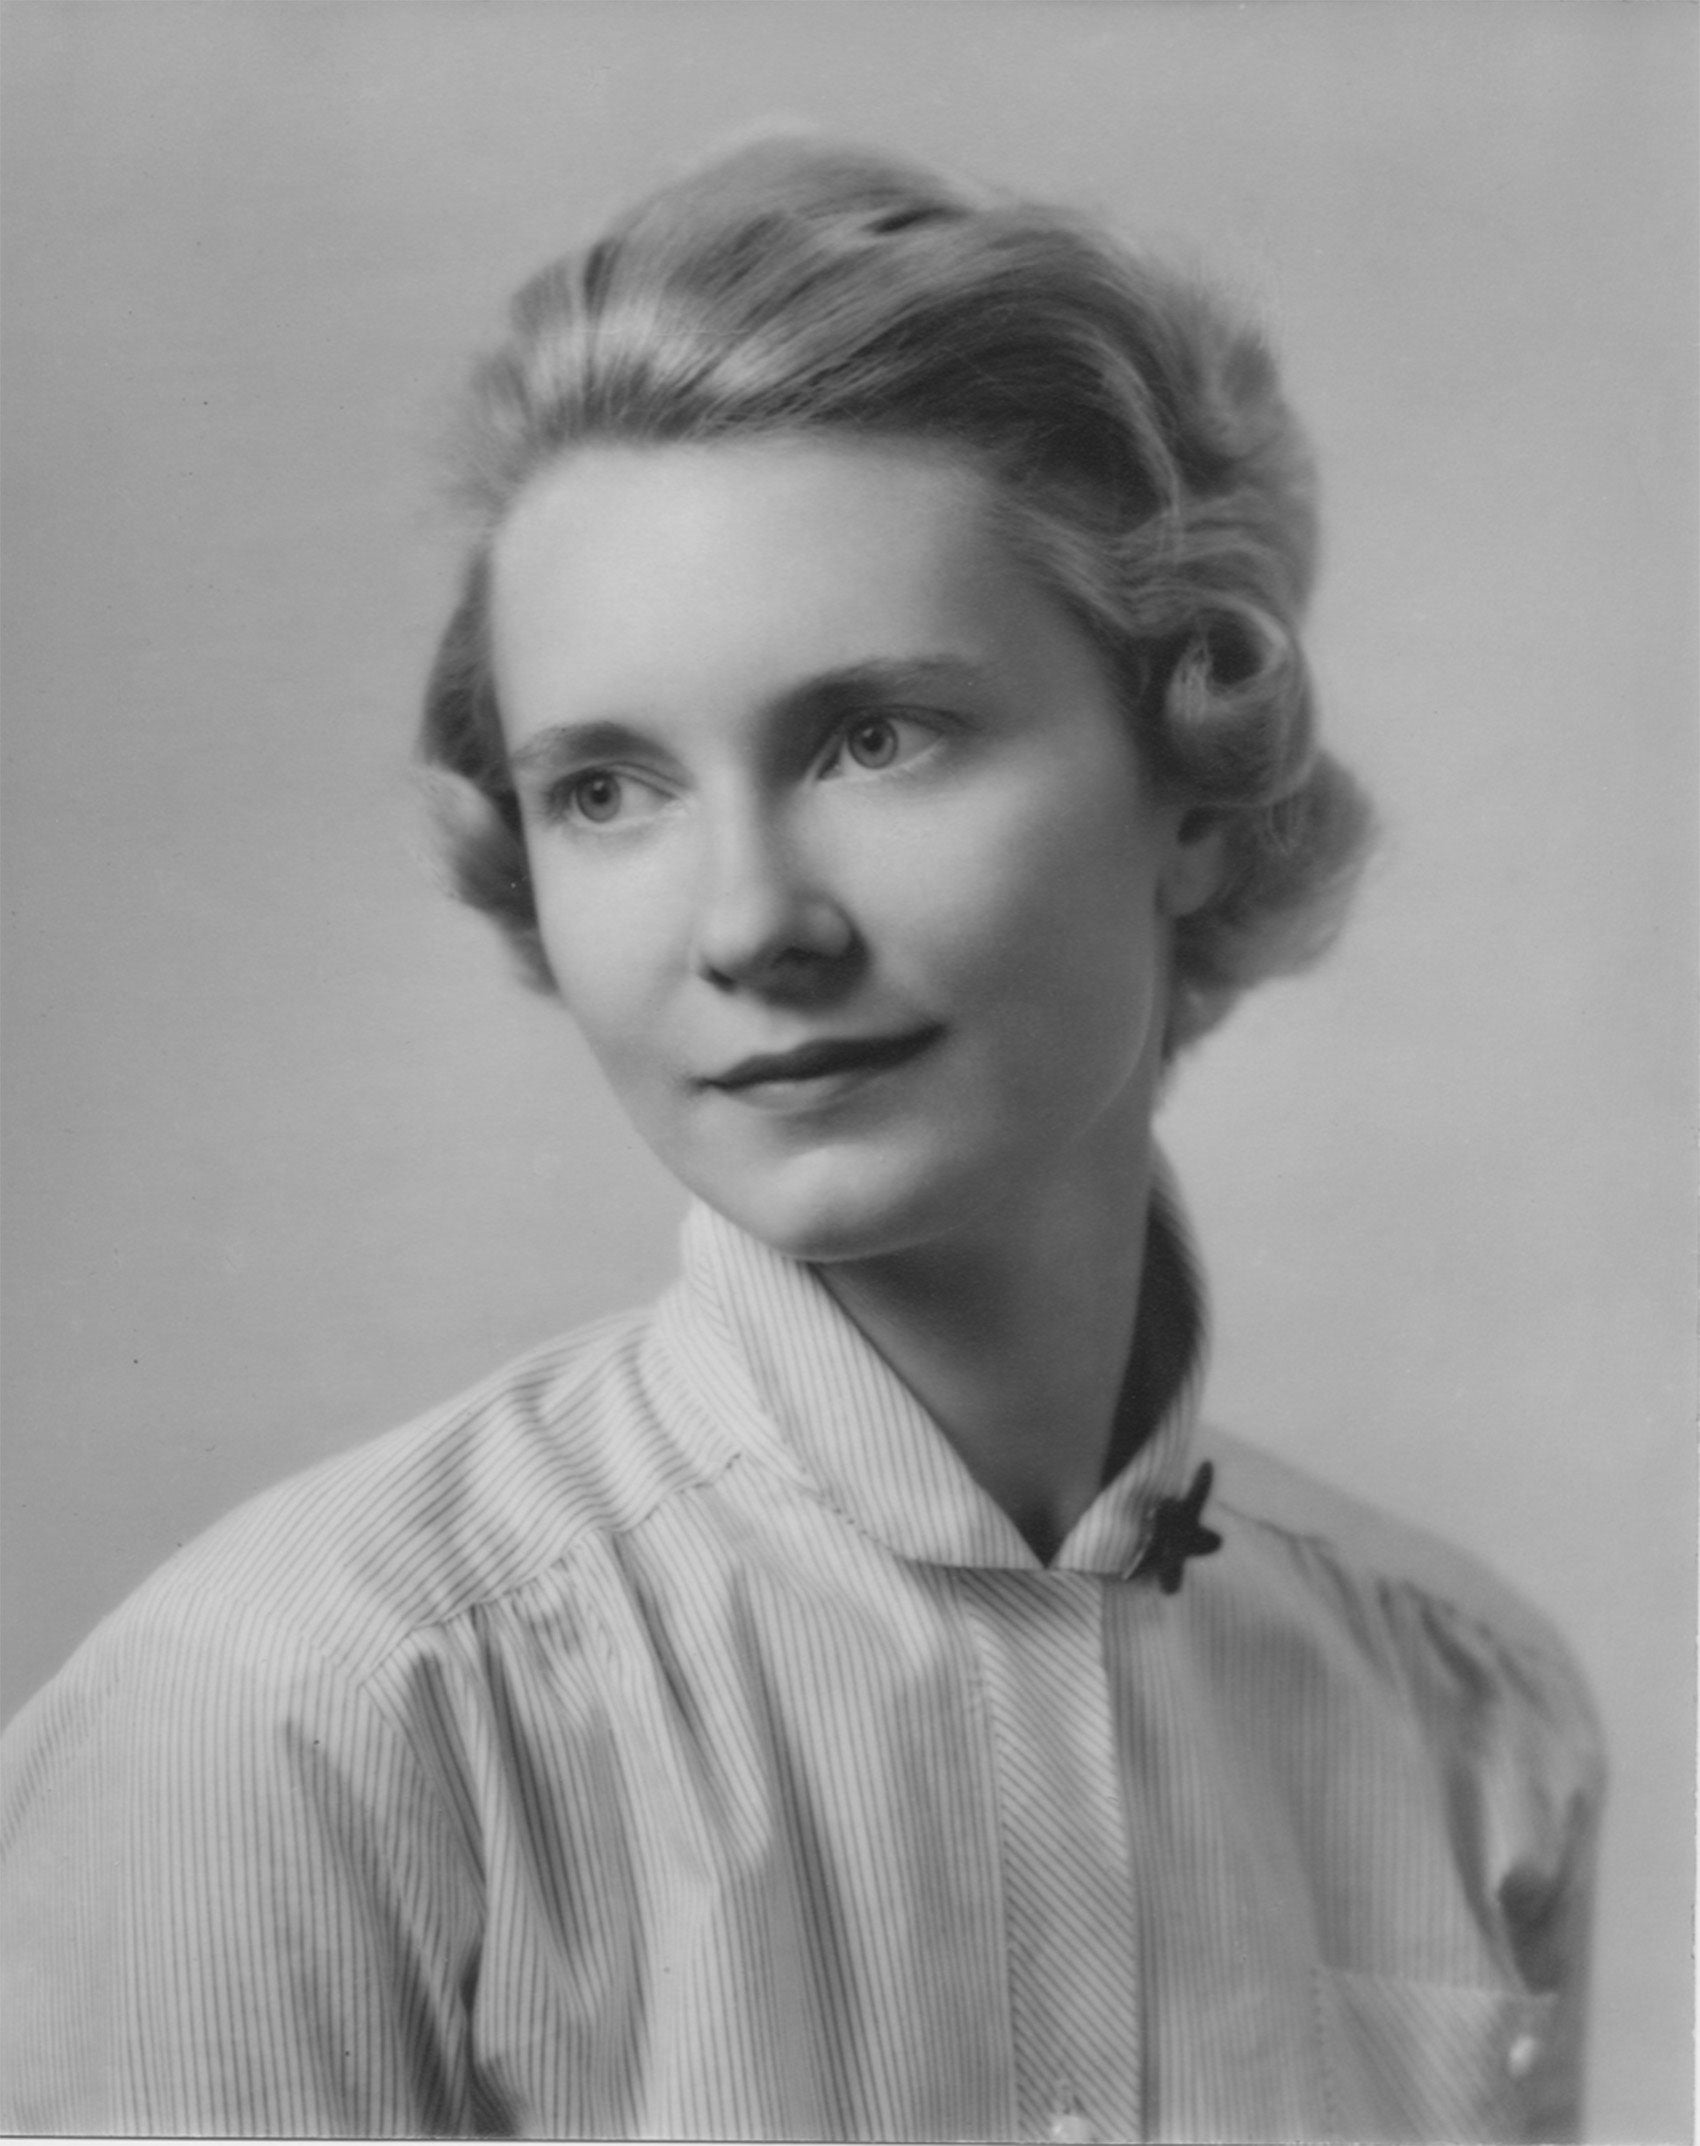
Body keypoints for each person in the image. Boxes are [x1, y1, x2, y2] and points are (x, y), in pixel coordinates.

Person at [1, 139, 1603, 2143]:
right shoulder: (301, 1714)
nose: (750, 921)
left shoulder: (1462, 1710)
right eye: (606, 786)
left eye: (875, 736)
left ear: (1191, 775)